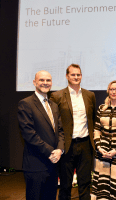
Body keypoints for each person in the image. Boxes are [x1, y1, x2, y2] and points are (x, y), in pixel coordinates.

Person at [50, 64, 96, 200]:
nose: (76, 77)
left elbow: (92, 119)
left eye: (78, 74)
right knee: (65, 184)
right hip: (66, 146)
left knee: (85, 183)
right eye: (73, 74)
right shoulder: (56, 96)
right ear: (67, 76)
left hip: (85, 145)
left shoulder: (89, 95)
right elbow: (53, 123)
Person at [17, 70, 64, 200]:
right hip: (35, 165)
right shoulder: (26, 103)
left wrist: (60, 150)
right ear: (34, 82)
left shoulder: (54, 105)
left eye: (48, 80)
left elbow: (60, 131)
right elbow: (29, 134)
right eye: (41, 80)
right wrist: (51, 152)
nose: (45, 83)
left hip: (53, 165)